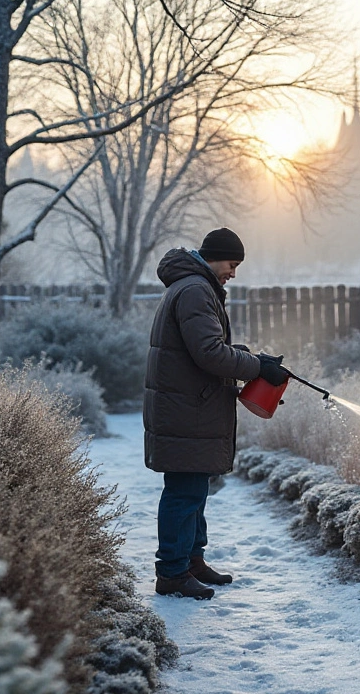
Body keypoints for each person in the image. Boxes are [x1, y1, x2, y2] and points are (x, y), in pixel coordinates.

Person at [144, 227, 289, 599]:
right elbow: (209, 352)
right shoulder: (195, 289)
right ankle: (173, 573)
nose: (234, 273)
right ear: (214, 257)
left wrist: (254, 362)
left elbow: (201, 350)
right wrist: (256, 366)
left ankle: (191, 561)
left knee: (194, 492)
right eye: (232, 263)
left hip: (191, 408)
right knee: (184, 493)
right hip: (186, 413)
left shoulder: (193, 286)